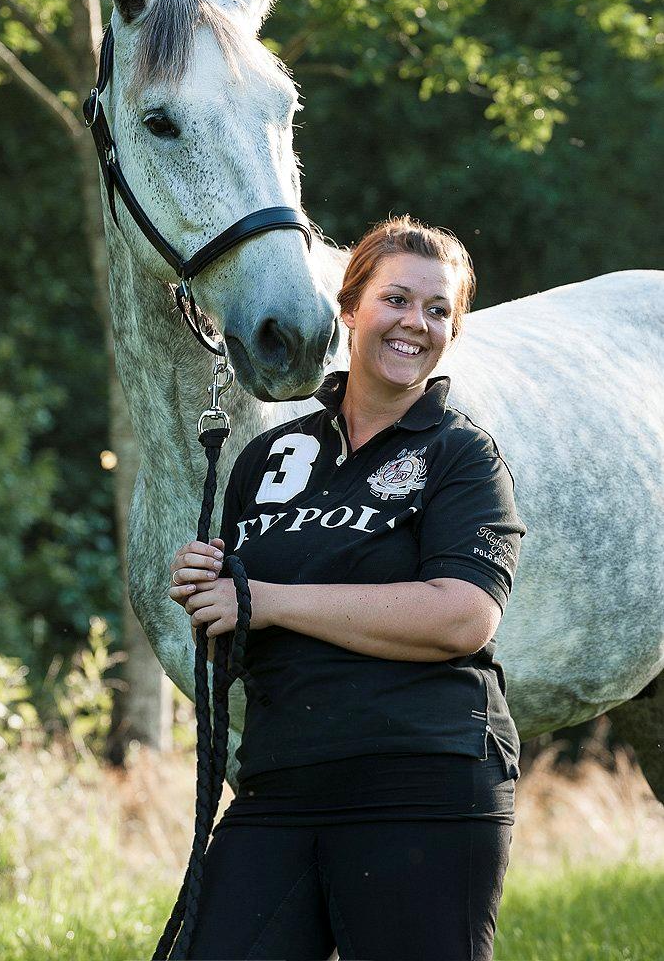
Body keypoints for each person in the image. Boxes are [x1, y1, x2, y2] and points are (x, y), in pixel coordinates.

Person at [169, 213, 527, 961]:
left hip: (426, 780)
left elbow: (463, 617)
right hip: (281, 784)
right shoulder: (268, 457)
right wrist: (209, 587)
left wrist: (262, 599)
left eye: (439, 311)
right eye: (396, 299)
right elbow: (240, 611)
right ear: (349, 308)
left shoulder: (462, 456)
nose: (416, 323)